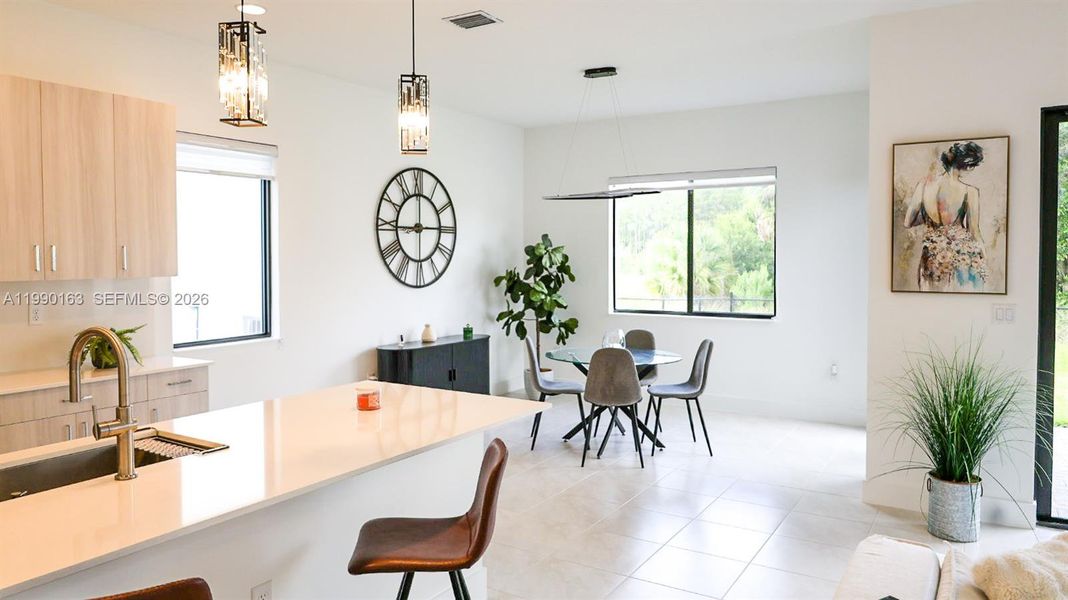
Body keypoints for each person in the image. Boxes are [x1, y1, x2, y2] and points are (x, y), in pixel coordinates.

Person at [903, 141, 988, 291]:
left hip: (930, 256)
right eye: (973, 167)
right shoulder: (970, 192)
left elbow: (908, 222)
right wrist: (983, 260)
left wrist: (929, 217)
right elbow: (975, 232)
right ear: (967, 165)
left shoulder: (923, 185)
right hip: (956, 259)